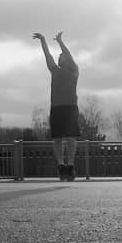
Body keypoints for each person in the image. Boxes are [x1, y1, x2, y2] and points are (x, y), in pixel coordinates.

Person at [33, 31, 80, 181]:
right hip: (56, 108)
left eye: (62, 55)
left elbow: (68, 53)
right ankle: (61, 165)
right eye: (59, 56)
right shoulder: (54, 70)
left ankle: (71, 165)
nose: (60, 56)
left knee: (71, 137)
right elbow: (48, 56)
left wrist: (60, 42)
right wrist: (43, 41)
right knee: (57, 138)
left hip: (71, 107)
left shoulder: (74, 70)